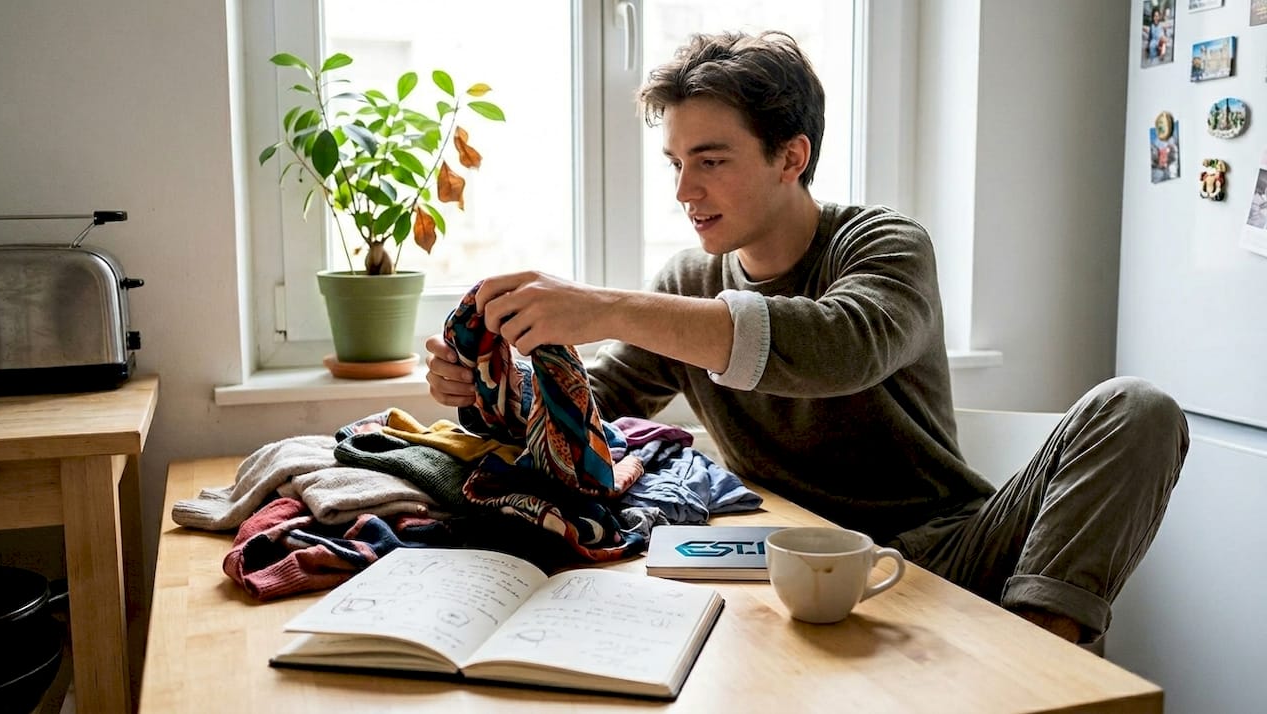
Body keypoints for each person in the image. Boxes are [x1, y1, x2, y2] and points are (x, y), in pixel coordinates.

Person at [426, 30, 1189, 646]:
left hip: (946, 546)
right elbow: (588, 402)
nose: (685, 192)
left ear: (792, 156)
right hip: (793, 563)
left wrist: (608, 307)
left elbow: (837, 347)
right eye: (677, 163)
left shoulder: (884, 244)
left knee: (1138, 407)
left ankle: (1041, 658)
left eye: (711, 161)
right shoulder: (688, 281)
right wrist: (488, 387)